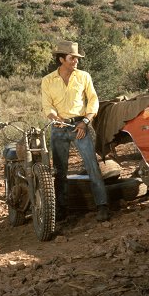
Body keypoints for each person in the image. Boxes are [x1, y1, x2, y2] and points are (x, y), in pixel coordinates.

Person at [41, 40, 110, 223]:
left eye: (77, 58)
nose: (76, 61)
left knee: (92, 166)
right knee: (59, 171)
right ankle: (62, 211)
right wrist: (55, 118)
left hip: (80, 126)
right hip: (58, 128)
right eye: (73, 58)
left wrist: (86, 122)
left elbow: (93, 100)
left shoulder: (84, 76)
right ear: (62, 59)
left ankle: (102, 206)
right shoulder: (47, 81)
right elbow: (47, 105)